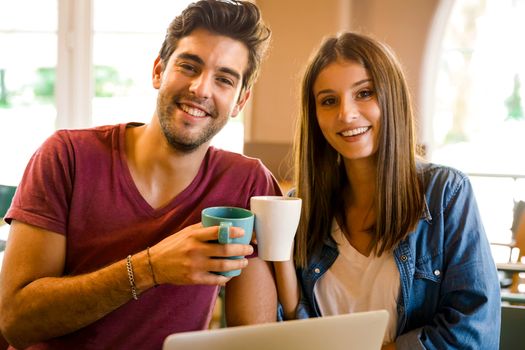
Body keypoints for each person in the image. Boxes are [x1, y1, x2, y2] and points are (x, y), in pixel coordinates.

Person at [0, 1, 280, 349]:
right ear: (158, 71)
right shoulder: (66, 156)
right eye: (188, 66)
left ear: (240, 100)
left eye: (224, 79)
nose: (201, 89)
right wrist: (151, 268)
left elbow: (253, 340)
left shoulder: (246, 184)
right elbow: (16, 321)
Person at [274, 32, 501, 349]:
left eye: (364, 93)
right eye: (328, 100)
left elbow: (474, 331)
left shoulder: (446, 193)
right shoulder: (300, 207)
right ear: (314, 117)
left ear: (392, 98)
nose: (346, 114)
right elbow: (286, 331)